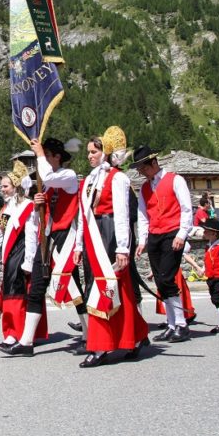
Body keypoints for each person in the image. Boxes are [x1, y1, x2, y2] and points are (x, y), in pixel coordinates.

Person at [74, 127, 149, 368]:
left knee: (115, 289)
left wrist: (123, 248)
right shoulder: (87, 182)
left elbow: (122, 215)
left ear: (105, 152)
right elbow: (82, 216)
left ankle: (105, 344)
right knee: (99, 288)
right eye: (88, 152)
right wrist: (78, 245)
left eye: (94, 151)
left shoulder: (118, 178)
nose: (90, 156)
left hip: (110, 235)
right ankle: (132, 336)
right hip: (93, 238)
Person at [6, 136, 84, 356]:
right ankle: (26, 341)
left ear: (57, 157)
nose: (45, 159)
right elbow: (43, 217)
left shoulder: (67, 176)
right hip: (48, 238)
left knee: (74, 286)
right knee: (37, 287)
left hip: (66, 237)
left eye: (48, 155)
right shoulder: (48, 185)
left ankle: (88, 334)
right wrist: (38, 205)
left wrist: (39, 153)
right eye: (45, 155)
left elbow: (48, 175)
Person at [133, 145, 193, 342]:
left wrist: (182, 234)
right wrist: (143, 240)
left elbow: (186, 208)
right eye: (139, 169)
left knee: (167, 278)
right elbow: (143, 215)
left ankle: (182, 324)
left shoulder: (175, 180)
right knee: (160, 281)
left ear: (153, 162)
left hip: (172, 233)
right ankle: (171, 324)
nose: (141, 172)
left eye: (143, 167)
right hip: (155, 236)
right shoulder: (144, 187)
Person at [0, 161, 46, 351]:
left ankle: (16, 333)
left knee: (18, 293)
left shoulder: (28, 206)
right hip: (9, 255)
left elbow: (32, 235)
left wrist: (29, 261)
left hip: (21, 253)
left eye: (5, 186)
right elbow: (0, 234)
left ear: (15, 187)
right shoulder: (6, 209)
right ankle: (11, 332)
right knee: (10, 293)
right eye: (2, 186)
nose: (2, 189)